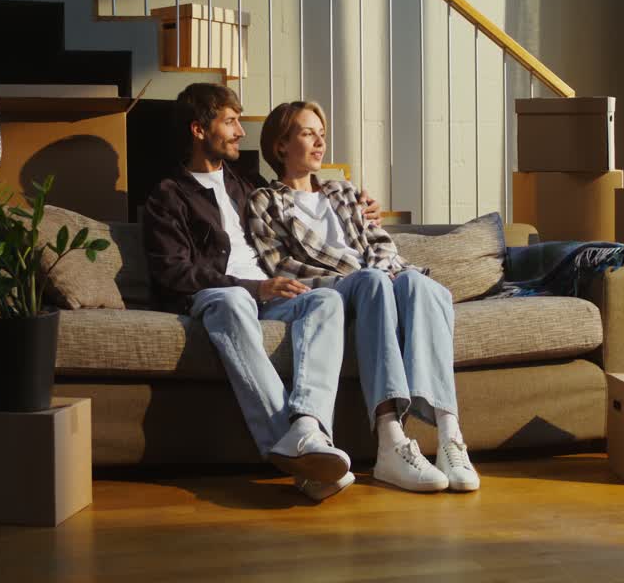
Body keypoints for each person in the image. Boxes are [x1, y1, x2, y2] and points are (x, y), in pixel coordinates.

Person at [142, 83, 382, 501]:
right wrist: (252, 286)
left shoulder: (246, 184)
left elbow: (300, 194)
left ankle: (308, 427)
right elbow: (174, 272)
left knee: (324, 299)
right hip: (218, 296)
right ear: (199, 130)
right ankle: (290, 445)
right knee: (233, 301)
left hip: (267, 296)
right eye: (230, 122)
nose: (240, 132)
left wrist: (358, 206)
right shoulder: (168, 195)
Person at [247, 100, 480, 493]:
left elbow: (380, 243)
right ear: (281, 145)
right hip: (337, 287)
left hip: (378, 276)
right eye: (308, 133)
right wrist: (362, 275)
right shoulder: (266, 201)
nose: (320, 142)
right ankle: (390, 442)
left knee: (423, 286)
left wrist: (389, 271)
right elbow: (281, 267)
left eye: (322, 134)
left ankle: (449, 437)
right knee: (372, 280)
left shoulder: (343, 192)